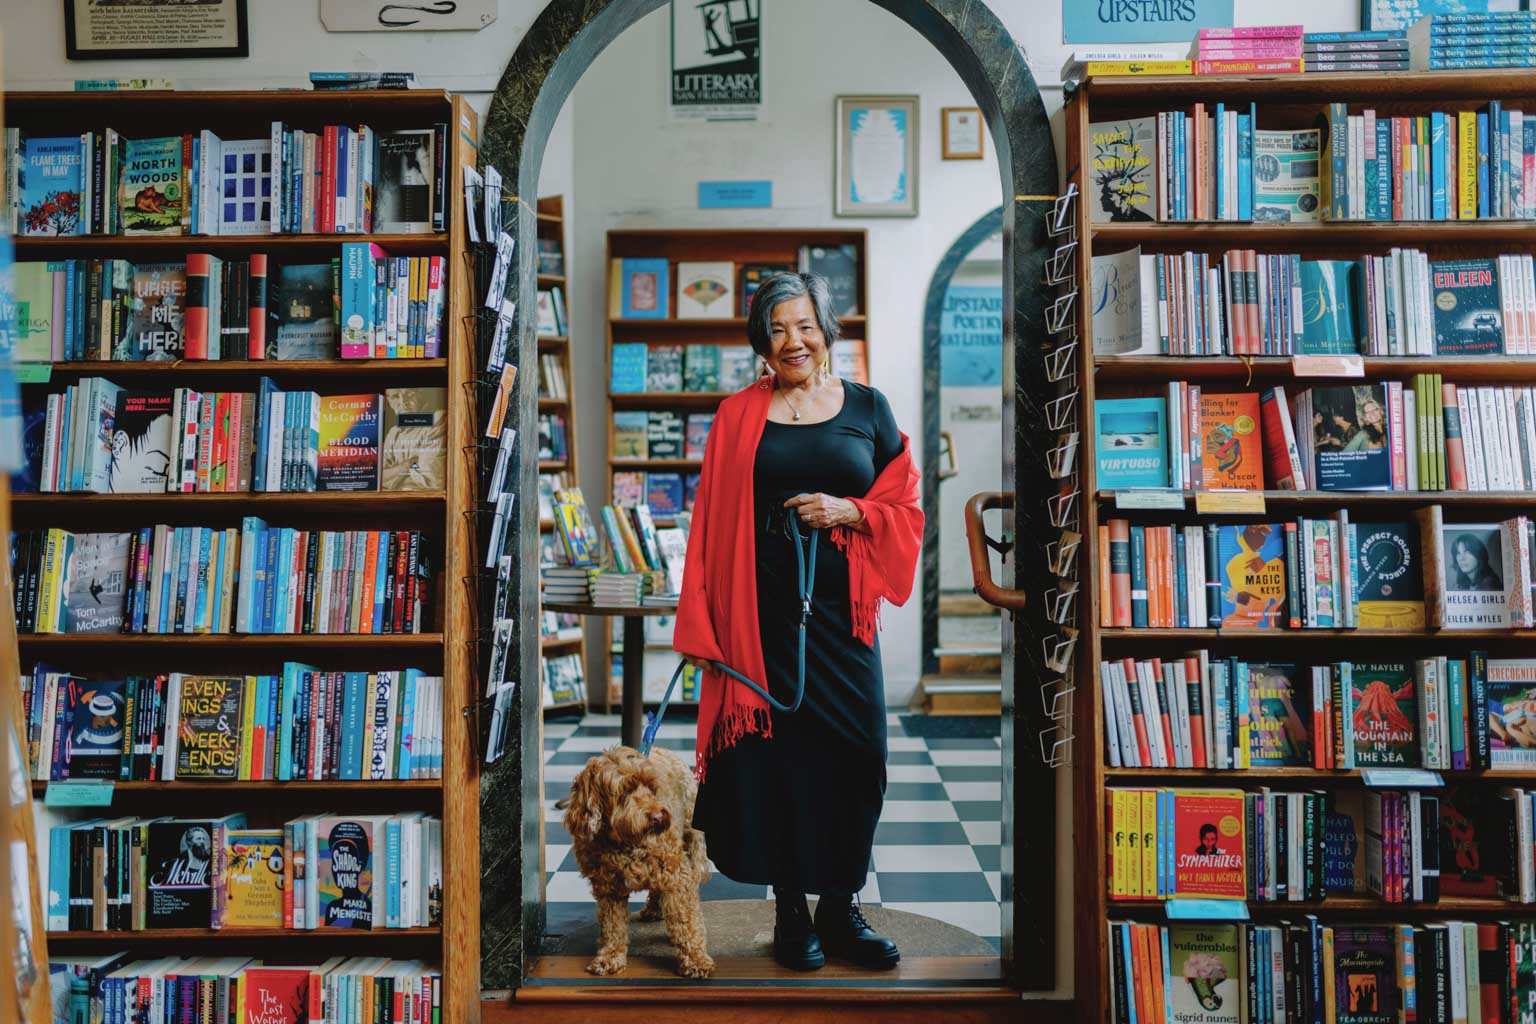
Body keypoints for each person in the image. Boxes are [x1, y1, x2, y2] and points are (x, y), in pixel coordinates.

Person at [673, 272, 922, 972]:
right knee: (775, 764)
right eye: (778, 328)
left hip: (845, 622)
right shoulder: (736, 415)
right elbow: (710, 526)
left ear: (826, 330)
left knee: (860, 757)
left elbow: (904, 507)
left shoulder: (869, 409)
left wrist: (849, 511)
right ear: (762, 340)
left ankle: (840, 909)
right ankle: (791, 913)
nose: (794, 341)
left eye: (804, 325)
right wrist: (706, 624)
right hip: (760, 620)